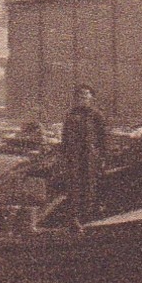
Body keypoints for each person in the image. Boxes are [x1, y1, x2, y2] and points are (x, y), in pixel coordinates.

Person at [60, 85, 107, 224]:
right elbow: (65, 137)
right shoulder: (71, 115)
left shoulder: (96, 115)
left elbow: (102, 138)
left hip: (90, 157)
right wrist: (64, 155)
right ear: (76, 98)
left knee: (89, 186)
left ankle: (88, 217)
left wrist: (102, 157)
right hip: (74, 156)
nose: (83, 99)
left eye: (86, 96)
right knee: (74, 186)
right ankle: (74, 217)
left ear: (91, 98)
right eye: (80, 96)